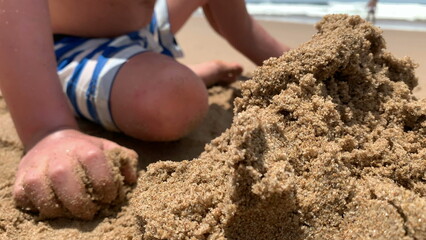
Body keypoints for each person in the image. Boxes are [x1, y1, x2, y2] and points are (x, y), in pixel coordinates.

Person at [0, 0, 290, 220]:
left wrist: (291, 66)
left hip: (148, 26)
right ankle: (178, 73)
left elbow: (241, 28)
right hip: (67, 42)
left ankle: (167, 67)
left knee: (176, 86)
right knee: (175, 98)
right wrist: (49, 128)